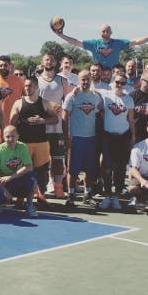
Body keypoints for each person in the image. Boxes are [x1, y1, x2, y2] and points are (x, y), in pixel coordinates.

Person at [10, 75, 59, 205]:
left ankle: (41, 195)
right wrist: (16, 120)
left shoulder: (44, 103)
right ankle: (20, 197)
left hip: (41, 142)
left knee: (42, 171)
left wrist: (43, 120)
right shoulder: (18, 103)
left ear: (36, 87)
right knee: (22, 170)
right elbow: (11, 125)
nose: (27, 88)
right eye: (26, 86)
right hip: (23, 143)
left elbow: (55, 119)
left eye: (30, 86)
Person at [63, 70, 103, 205]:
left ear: (91, 80)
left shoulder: (96, 96)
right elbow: (65, 117)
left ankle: (87, 195)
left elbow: (98, 113)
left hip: (91, 138)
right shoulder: (72, 96)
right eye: (82, 79)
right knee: (73, 170)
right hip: (76, 138)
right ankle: (71, 195)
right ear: (78, 80)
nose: (85, 82)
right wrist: (67, 137)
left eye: (87, 79)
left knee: (90, 170)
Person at [97, 72, 135, 209]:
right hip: (108, 137)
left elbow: (131, 120)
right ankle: (107, 196)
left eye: (122, 83)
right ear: (112, 82)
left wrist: (133, 137)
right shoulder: (105, 95)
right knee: (107, 167)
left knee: (120, 168)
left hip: (123, 137)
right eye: (117, 82)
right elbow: (91, 89)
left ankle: (117, 197)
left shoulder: (128, 99)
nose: (119, 85)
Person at [53, 23, 148, 69]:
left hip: (113, 74)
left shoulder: (117, 43)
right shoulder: (94, 43)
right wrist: (61, 35)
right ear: (99, 32)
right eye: (103, 31)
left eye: (108, 31)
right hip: (98, 74)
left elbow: (136, 41)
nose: (106, 33)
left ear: (111, 32)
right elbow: (76, 42)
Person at [35, 52, 68, 198]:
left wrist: (65, 121)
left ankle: (58, 187)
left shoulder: (62, 80)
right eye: (47, 60)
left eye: (52, 60)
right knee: (40, 161)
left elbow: (67, 103)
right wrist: (47, 108)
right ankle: (40, 188)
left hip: (57, 126)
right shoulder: (36, 81)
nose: (49, 62)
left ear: (55, 63)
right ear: (42, 62)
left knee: (58, 158)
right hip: (40, 126)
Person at [0, 125, 38, 217]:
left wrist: (11, 177)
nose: (10, 139)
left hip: (17, 178)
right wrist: (4, 190)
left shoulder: (22, 147)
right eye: (7, 136)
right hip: (3, 182)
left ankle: (29, 205)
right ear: (3, 137)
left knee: (32, 179)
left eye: (13, 136)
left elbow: (29, 166)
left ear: (18, 136)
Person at [0, 55, 25, 127]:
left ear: (10, 66)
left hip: (14, 122)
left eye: (5, 65)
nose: (3, 67)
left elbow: (28, 98)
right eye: (0, 65)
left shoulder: (19, 81)